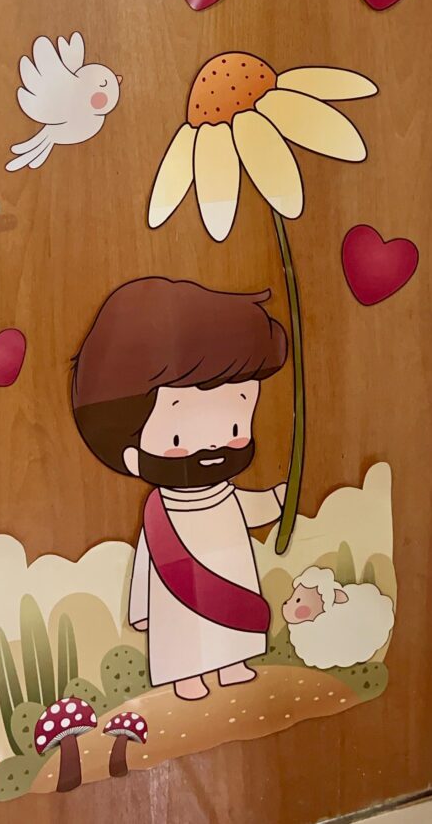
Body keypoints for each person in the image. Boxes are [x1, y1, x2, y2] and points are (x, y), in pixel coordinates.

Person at [72, 277, 288, 701]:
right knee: (183, 630)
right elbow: (147, 562)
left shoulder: (224, 497)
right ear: (131, 451)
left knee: (233, 622)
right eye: (177, 438)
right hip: (178, 595)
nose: (213, 445)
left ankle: (233, 663)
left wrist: (279, 501)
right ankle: (187, 676)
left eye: (234, 426)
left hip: (230, 581)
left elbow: (249, 508)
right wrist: (141, 609)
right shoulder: (160, 515)